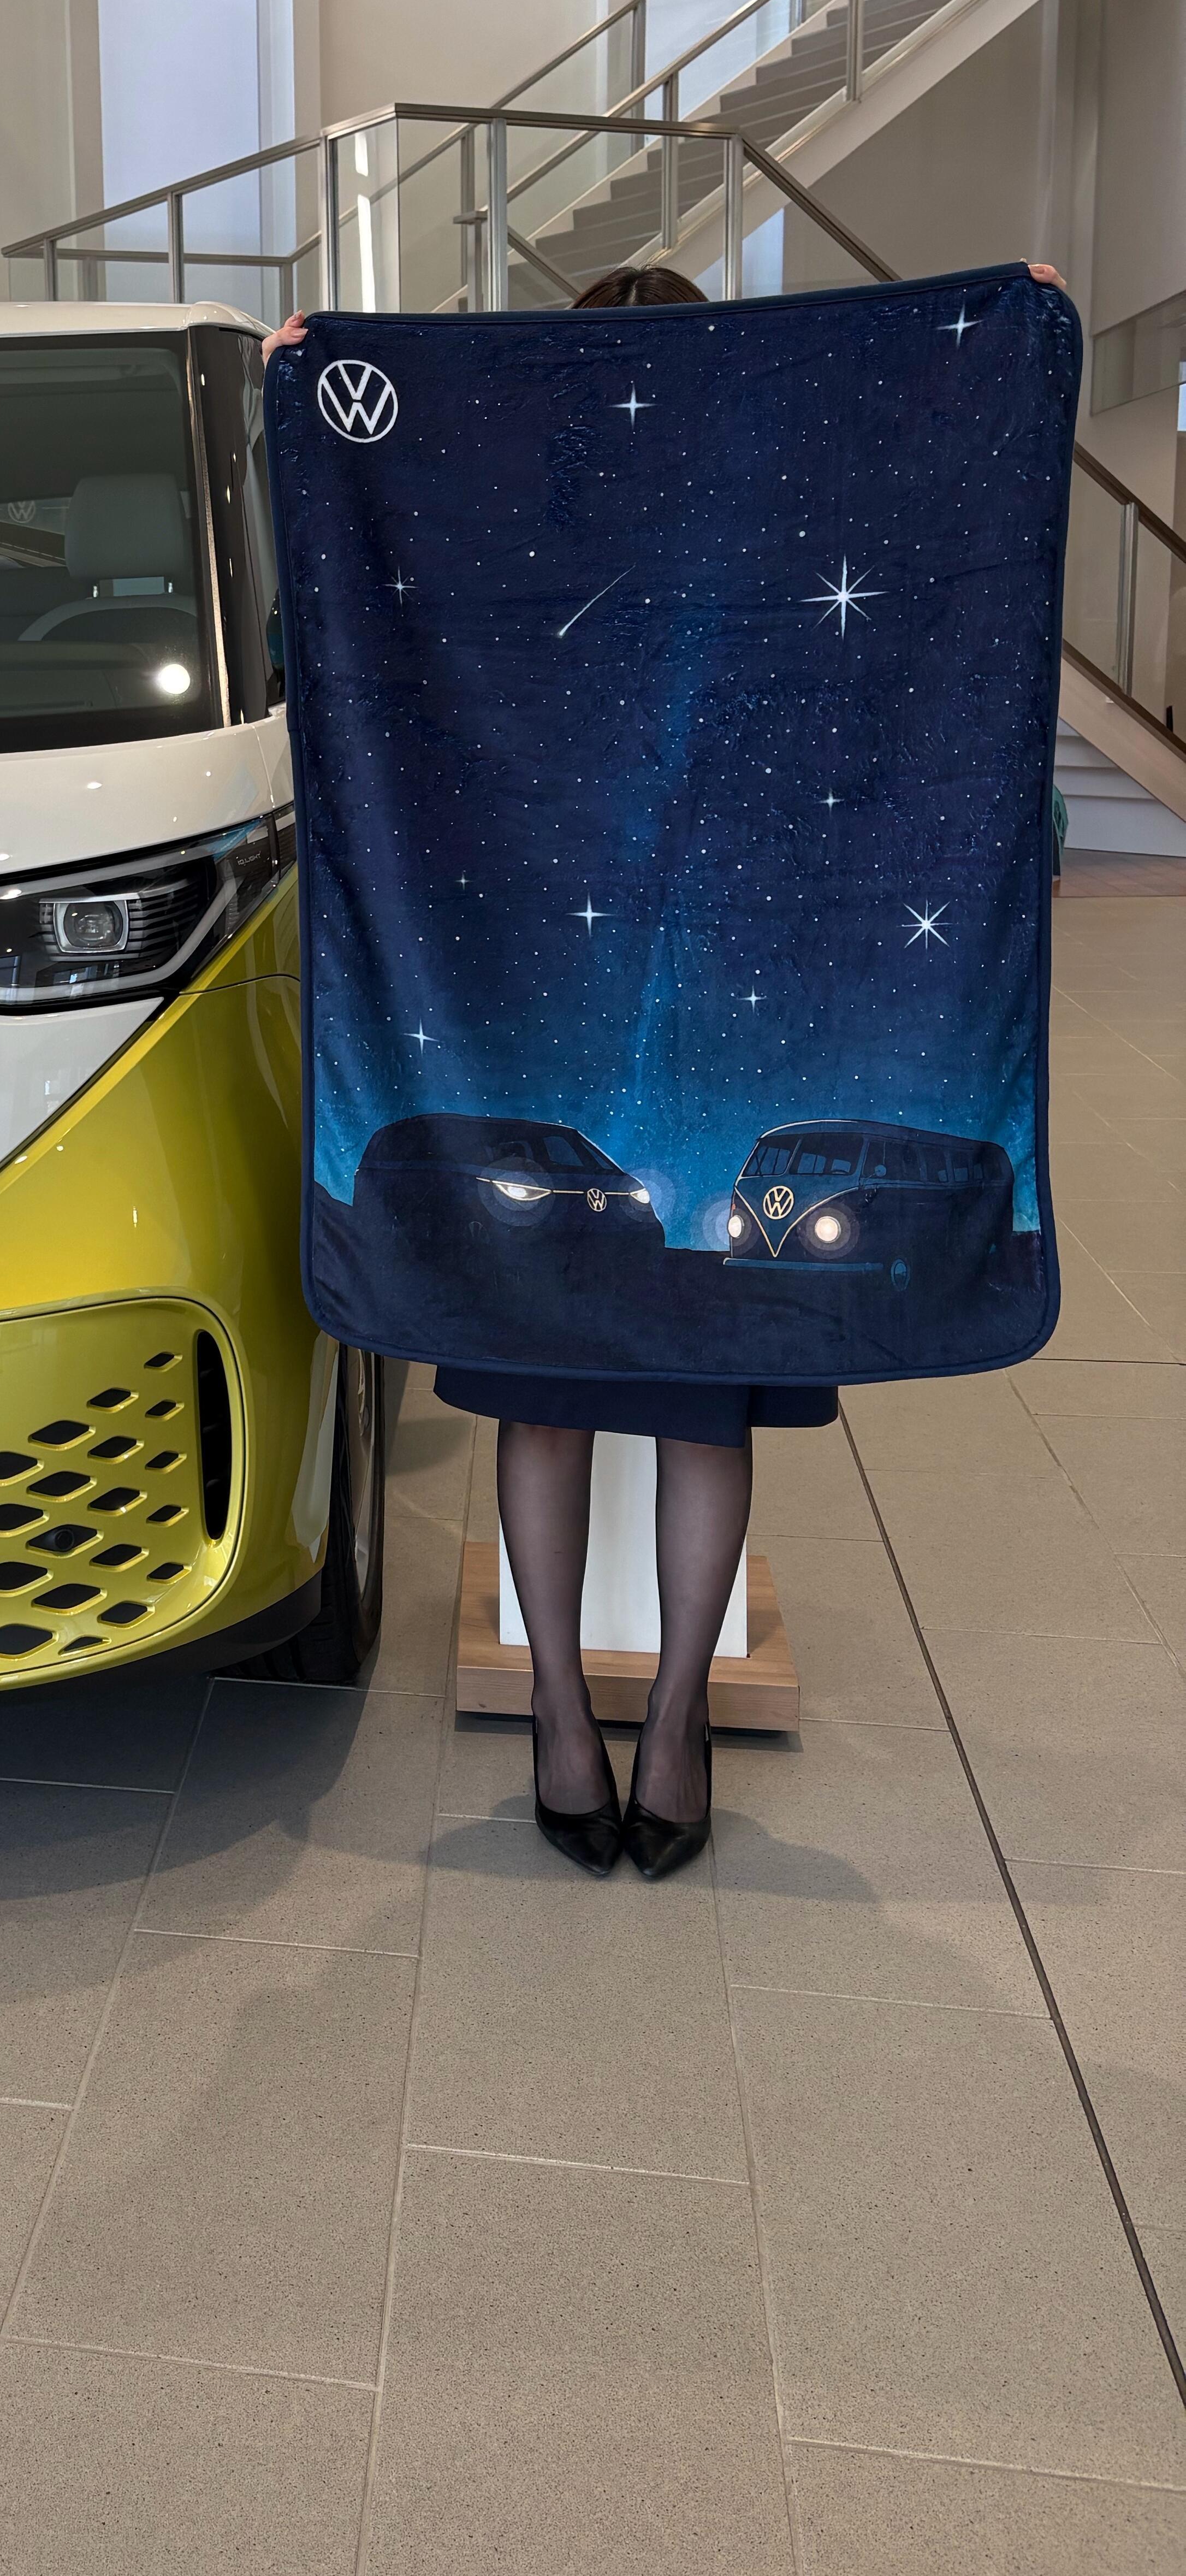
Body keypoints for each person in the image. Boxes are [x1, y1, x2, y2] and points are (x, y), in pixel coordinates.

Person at [263, 258, 1066, 1877]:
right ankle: (565, 1712)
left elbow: (906, 574)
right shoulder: (530, 547)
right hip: (541, 980)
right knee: (546, 1400)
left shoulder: (760, 552)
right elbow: (370, 630)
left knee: (697, 1404)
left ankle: (678, 1714)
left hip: (688, 989)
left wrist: (1008, 341)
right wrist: (315, 396)